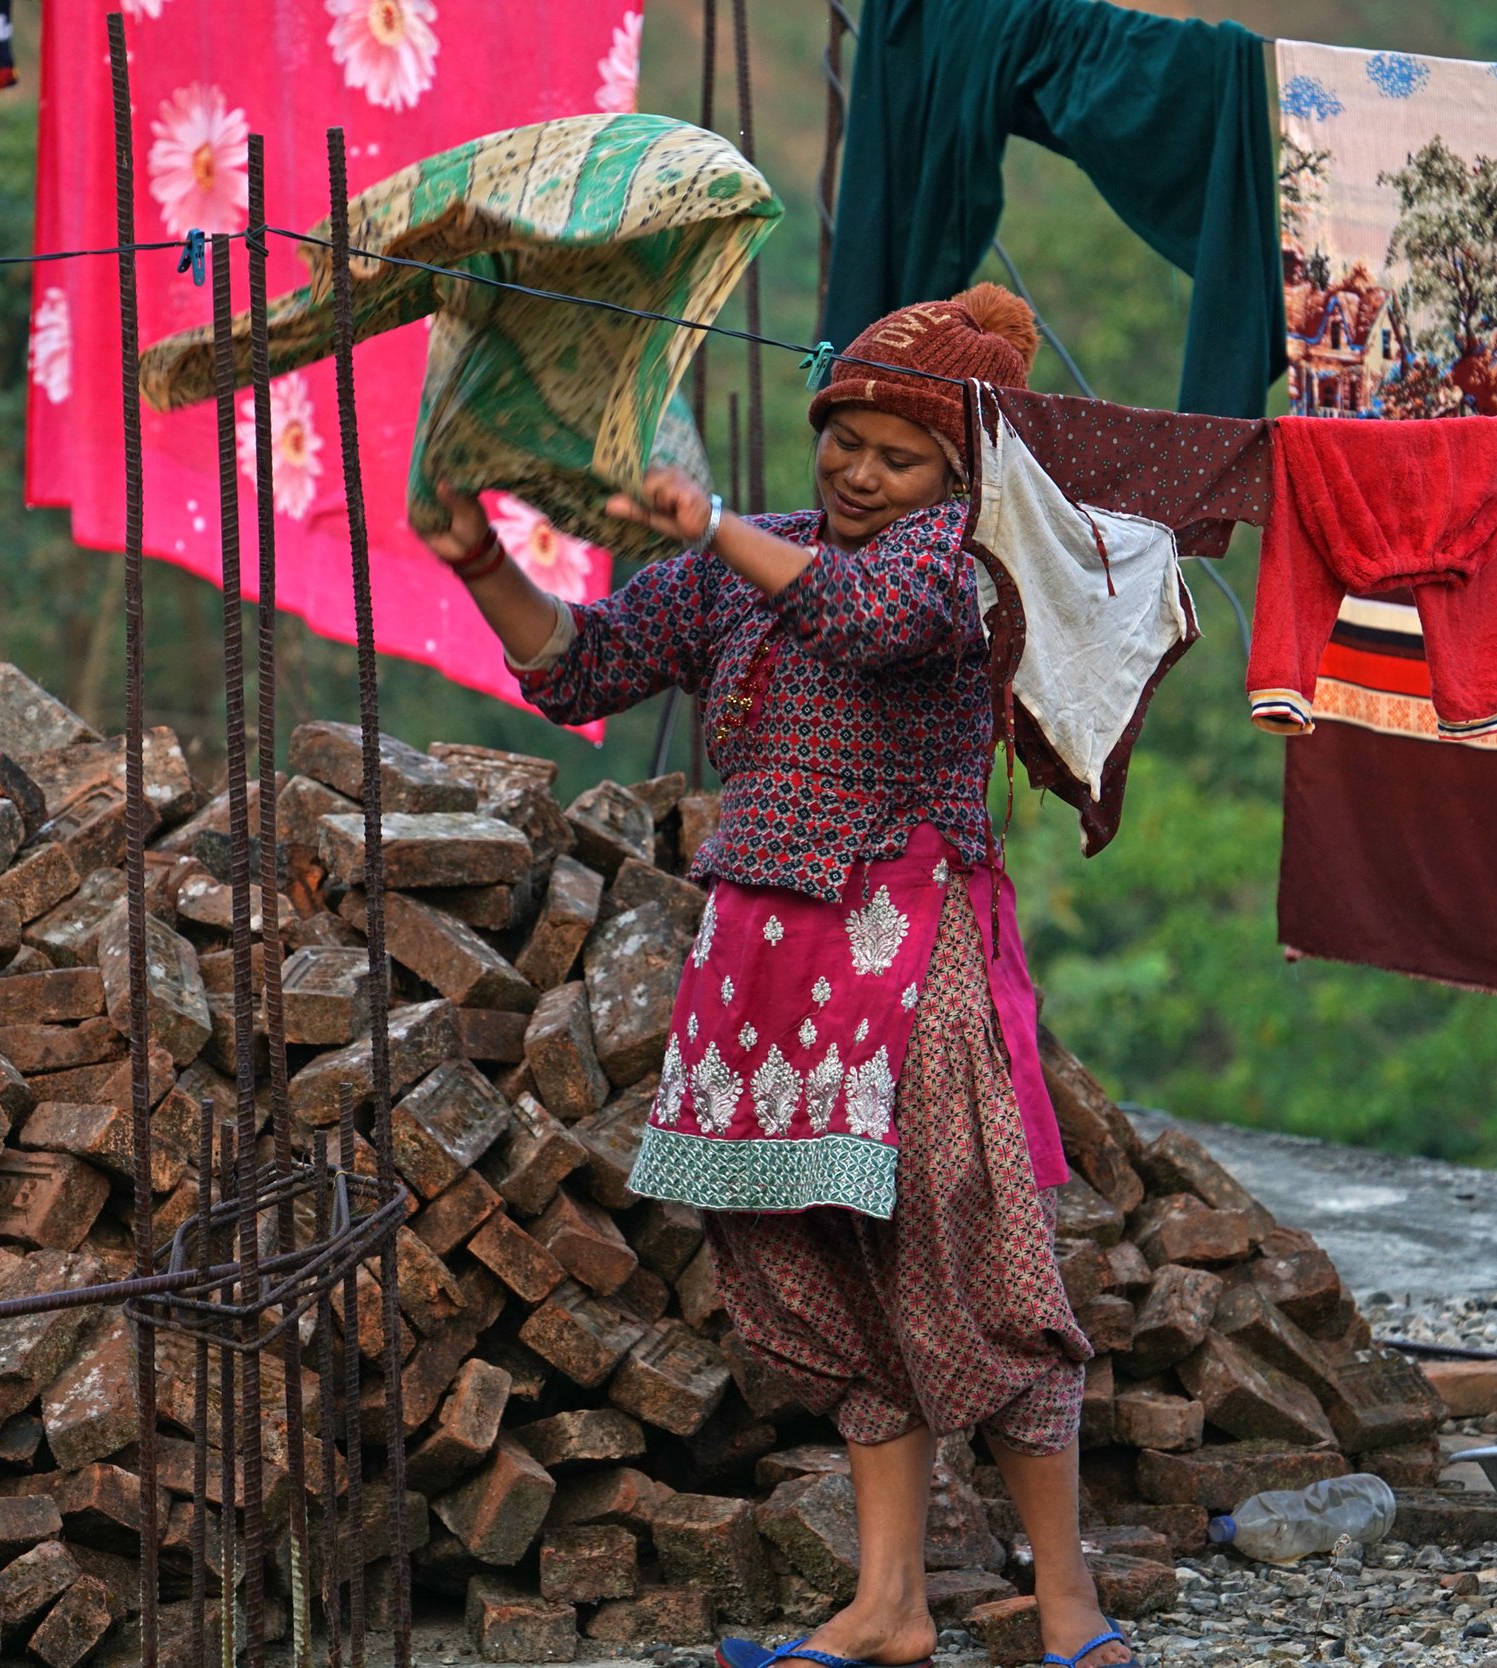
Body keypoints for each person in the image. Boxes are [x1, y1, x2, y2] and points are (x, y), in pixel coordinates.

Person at [420, 285, 1129, 1668]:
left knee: (971, 1253)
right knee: (823, 1270)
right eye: (844, 439)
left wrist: (713, 528)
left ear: (958, 474)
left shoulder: (961, 570)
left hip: (903, 951)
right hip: (763, 961)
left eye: (898, 453)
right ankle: (889, 1609)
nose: (859, 471)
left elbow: (868, 620)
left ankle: (1069, 1605)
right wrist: (480, 563)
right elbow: (586, 669)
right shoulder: (749, 570)